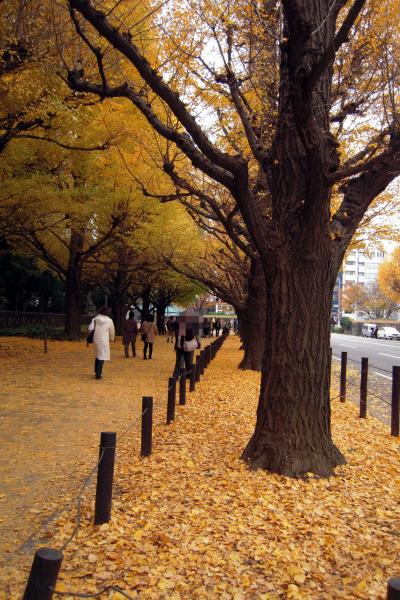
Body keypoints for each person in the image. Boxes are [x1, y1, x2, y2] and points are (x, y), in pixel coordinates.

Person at [88, 306, 115, 380]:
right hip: (104, 340)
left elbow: (90, 328)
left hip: (96, 338)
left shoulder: (95, 318)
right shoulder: (109, 321)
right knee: (102, 356)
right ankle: (98, 374)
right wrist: (112, 338)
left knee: (97, 354)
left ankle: (96, 371)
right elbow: (112, 330)